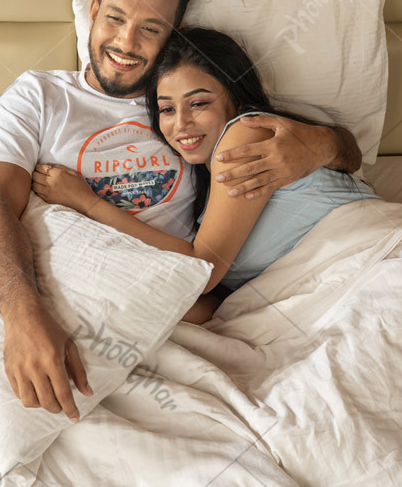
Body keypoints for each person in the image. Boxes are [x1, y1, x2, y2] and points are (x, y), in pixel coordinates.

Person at [0, 0, 361, 423]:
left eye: (150, 29)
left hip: (191, 306)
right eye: (113, 18)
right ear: (92, 12)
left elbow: (209, 262)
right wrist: (21, 316)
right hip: (90, 309)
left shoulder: (187, 94)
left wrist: (326, 143)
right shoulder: (40, 96)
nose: (126, 43)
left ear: (173, 35)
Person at [33, 27, 381, 323]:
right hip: (333, 290)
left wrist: (87, 204)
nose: (181, 123)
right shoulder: (205, 198)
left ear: (237, 101)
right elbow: (212, 293)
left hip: (375, 262)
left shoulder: (245, 135)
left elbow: (203, 268)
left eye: (198, 103)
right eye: (167, 109)